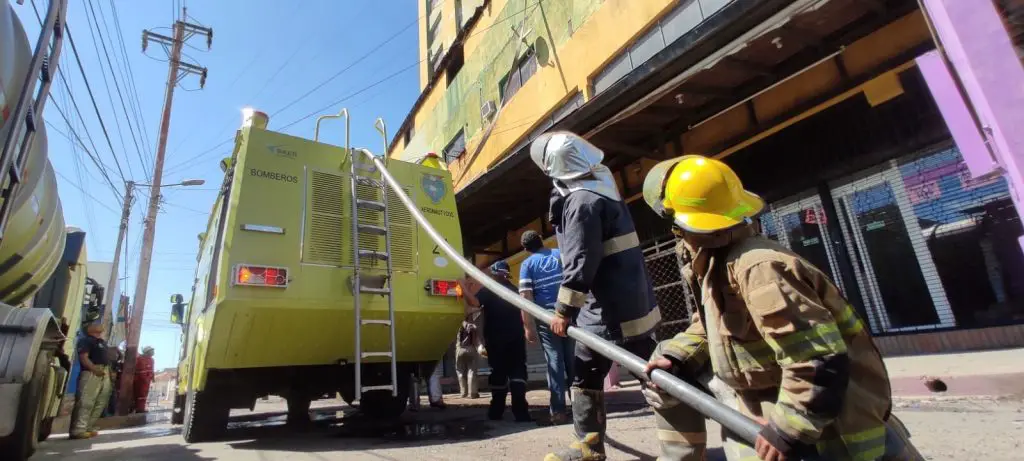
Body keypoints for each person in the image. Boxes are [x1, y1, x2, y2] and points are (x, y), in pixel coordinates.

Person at [639, 154, 925, 461]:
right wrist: (676, 357)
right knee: (663, 367)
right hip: (767, 389)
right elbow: (710, 324)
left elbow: (817, 358)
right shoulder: (717, 262)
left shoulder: (758, 268)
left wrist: (787, 430)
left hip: (836, 429)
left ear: (678, 222)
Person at [529, 132, 662, 461]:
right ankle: (681, 447)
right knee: (652, 372)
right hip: (629, 303)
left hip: (607, 312)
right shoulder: (603, 189)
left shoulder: (581, 203)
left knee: (646, 375)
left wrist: (562, 311)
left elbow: (580, 261)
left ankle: (589, 447)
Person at [461, 261, 532, 422]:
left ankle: (496, 412)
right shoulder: (515, 290)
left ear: (494, 274)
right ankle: (521, 413)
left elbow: (474, 302)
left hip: (496, 340)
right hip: (516, 339)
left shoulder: (491, 290)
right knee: (518, 374)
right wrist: (529, 330)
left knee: (499, 374)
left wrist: (462, 286)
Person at [518, 230, 574, 424]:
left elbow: (525, 297)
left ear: (525, 249)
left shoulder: (527, 265)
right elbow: (572, 280)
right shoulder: (559, 254)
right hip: (568, 316)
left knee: (555, 363)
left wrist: (528, 327)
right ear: (541, 241)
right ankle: (582, 406)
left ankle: (558, 412)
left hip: (546, 320)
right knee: (573, 360)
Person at [69, 321, 113, 439]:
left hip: (104, 371)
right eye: (96, 324)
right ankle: (78, 429)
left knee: (100, 401)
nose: (100, 325)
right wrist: (94, 369)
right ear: (89, 328)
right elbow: (84, 357)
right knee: (86, 401)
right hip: (91, 372)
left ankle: (88, 426)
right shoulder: (86, 340)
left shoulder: (101, 342)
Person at [455, 310, 482, 399]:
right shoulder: (473, 325)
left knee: (460, 370)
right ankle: (473, 393)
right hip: (471, 348)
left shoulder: (459, 323)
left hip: (460, 349)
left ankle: (463, 393)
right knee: (472, 370)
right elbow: (476, 339)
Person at [133, 346, 156, 413]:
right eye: (151, 350)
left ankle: (141, 408)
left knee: (144, 395)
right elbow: (138, 369)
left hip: (147, 380)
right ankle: (138, 409)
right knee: (139, 394)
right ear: (147, 352)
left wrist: (153, 378)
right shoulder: (140, 358)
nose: (153, 352)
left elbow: (152, 369)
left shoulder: (152, 360)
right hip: (140, 379)